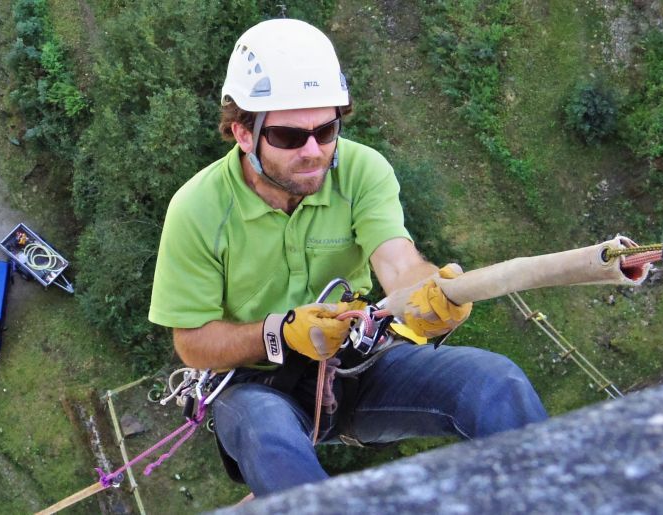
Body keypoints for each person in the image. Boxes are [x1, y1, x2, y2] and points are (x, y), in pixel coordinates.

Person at [147, 18, 548, 497]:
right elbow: (192, 343)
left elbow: (398, 263)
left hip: (356, 363)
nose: (314, 151)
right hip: (257, 385)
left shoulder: (361, 170)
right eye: (289, 138)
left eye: (326, 129)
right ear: (242, 133)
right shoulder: (198, 209)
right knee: (268, 434)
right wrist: (278, 332)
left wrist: (431, 294)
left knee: (496, 382)